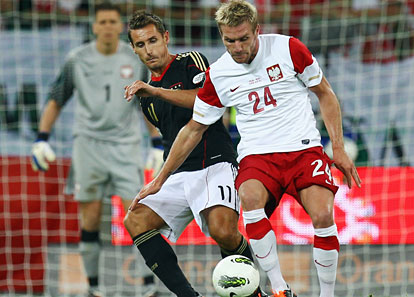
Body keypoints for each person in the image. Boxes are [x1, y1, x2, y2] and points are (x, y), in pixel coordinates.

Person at [132, 1, 362, 296]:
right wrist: (159, 179)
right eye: (230, 41)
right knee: (250, 198)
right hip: (257, 155)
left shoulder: (289, 48)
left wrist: (338, 148)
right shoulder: (219, 74)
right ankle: (279, 288)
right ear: (222, 36)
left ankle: (327, 294)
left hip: (303, 149)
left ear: (257, 30)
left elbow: (325, 94)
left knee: (321, 216)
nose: (238, 47)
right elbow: (194, 128)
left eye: (243, 39)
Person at [123, 11, 268, 297]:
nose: (149, 50)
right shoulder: (146, 99)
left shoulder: (191, 61)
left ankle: (254, 294)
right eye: (140, 45)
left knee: (224, 231)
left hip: (215, 163)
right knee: (135, 219)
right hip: (178, 171)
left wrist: (157, 91)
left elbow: (205, 100)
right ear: (134, 49)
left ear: (166, 38)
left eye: (153, 40)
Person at [30, 3, 162, 297]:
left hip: (125, 147)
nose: (106, 26)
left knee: (137, 214)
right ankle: (93, 287)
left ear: (120, 27)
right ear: (94, 26)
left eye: (112, 22)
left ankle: (148, 285)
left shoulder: (134, 57)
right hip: (87, 147)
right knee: (90, 218)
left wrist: (155, 142)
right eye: (101, 21)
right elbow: (56, 99)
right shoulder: (77, 59)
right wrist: (41, 138)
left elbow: (146, 102)